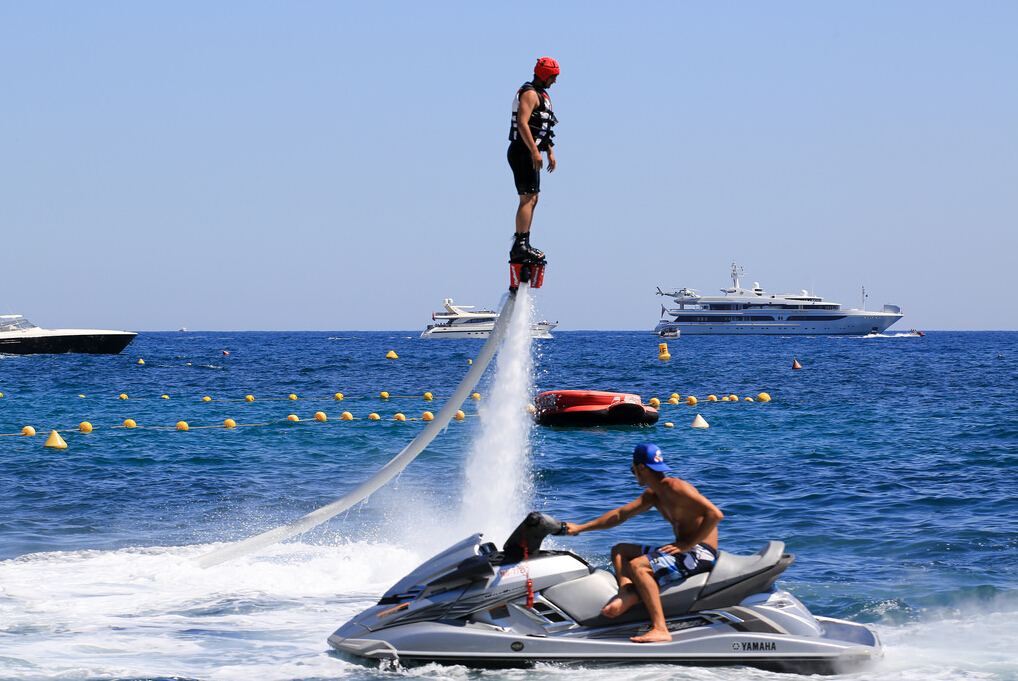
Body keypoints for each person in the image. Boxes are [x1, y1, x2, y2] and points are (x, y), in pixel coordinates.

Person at [564, 443, 724, 643]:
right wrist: (579, 528)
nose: (633, 475)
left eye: (632, 470)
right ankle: (628, 592)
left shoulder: (676, 487)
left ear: (641, 468)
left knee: (637, 565)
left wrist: (688, 544)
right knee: (620, 550)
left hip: (699, 552)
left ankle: (660, 628)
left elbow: (715, 514)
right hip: (685, 550)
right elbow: (619, 515)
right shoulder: (653, 494)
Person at [507, 57, 559, 264]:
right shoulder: (529, 93)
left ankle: (523, 242)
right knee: (527, 198)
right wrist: (534, 152)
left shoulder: (541, 95)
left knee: (532, 197)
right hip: (522, 151)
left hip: (529, 151)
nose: (555, 82)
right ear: (545, 75)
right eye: (553, 77)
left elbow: (541, 127)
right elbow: (522, 123)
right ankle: (520, 245)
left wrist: (548, 151)